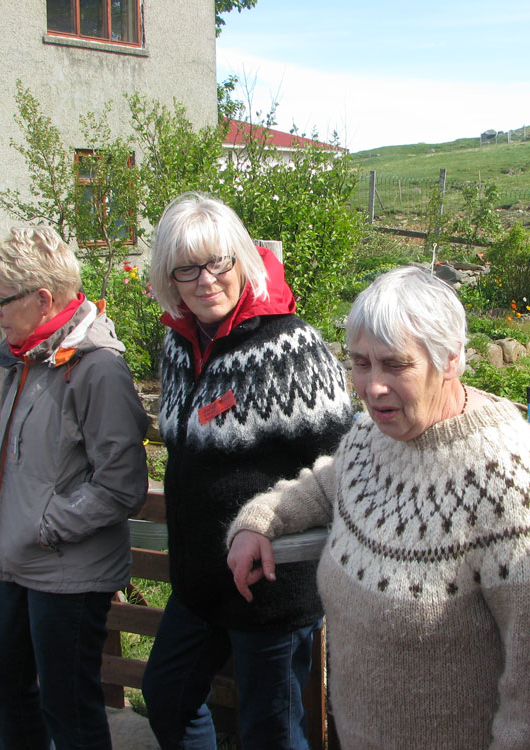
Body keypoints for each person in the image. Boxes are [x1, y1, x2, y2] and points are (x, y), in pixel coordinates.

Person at [227, 266, 530, 749]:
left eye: (395, 365)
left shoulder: (507, 476)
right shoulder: (375, 434)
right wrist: (260, 520)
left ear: (450, 359)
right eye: (361, 363)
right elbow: (328, 483)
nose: (371, 387)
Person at [141, 193, 353, 749]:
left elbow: (344, 462)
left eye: (219, 262)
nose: (206, 279)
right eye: (187, 268)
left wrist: (273, 523)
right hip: (199, 585)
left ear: (242, 259)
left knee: (272, 735)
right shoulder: (177, 343)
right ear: (170, 277)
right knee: (166, 698)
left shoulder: (291, 346)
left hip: (272, 589)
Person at [0, 226, 148, 750]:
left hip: (69, 570)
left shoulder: (96, 368)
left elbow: (122, 485)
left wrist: (46, 527)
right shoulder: (29, 357)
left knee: (68, 707)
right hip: (22, 562)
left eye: (1, 301)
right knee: (0, 676)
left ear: (43, 299)